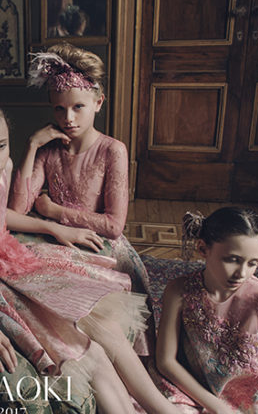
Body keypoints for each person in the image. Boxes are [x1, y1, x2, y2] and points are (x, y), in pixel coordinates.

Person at [0, 82, 215, 414]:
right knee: (85, 350)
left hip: (5, 264)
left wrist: (54, 227)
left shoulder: (1, 169)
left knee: (99, 320)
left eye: (2, 145)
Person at [10, 43, 152, 304]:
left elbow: (113, 226)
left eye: (78, 107)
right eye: (59, 108)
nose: (68, 118)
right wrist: (31, 145)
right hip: (53, 237)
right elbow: (17, 209)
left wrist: (53, 211)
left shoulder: (112, 150)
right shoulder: (48, 149)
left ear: (98, 103)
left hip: (95, 242)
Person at [150, 208, 258, 414]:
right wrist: (222, 412)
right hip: (185, 387)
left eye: (253, 263)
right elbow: (165, 361)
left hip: (242, 399)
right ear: (203, 248)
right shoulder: (179, 290)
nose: (241, 273)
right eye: (232, 260)